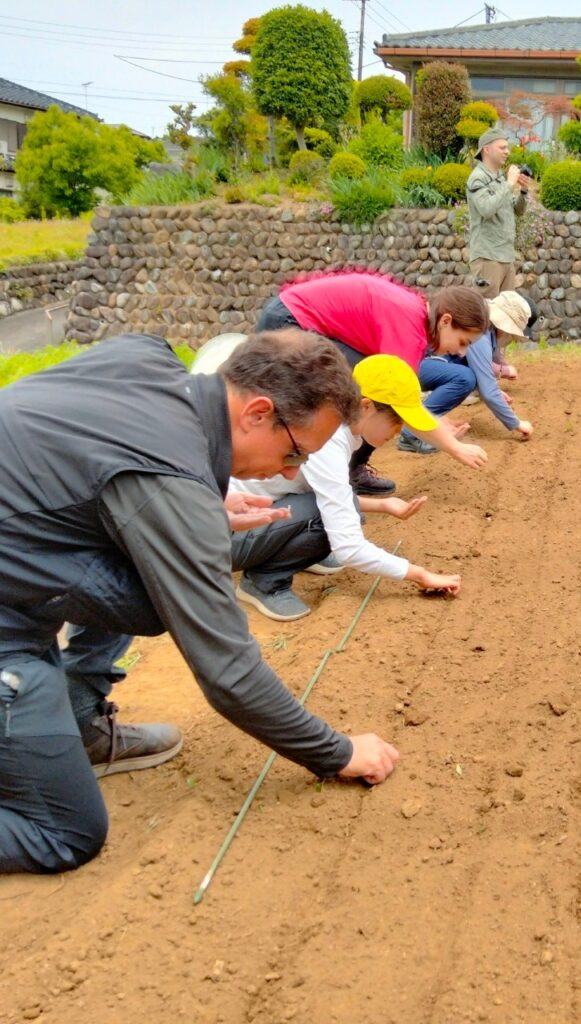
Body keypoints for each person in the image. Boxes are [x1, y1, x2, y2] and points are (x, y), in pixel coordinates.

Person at [0, 331, 401, 874]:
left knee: (145, 556)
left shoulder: (147, 360)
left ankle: (77, 717)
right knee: (67, 832)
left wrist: (202, 493)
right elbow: (227, 671)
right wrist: (336, 751)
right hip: (11, 627)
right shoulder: (166, 483)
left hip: (20, 572)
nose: (289, 473)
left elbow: (105, 462)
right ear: (258, 412)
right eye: (292, 453)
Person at [191, 342, 463, 620]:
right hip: (225, 539)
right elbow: (349, 546)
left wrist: (385, 506)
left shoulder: (337, 430)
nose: (398, 431)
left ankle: (298, 553)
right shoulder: (329, 440)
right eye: (396, 421)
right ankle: (265, 581)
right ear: (366, 407)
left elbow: (332, 494)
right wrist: (421, 575)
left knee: (339, 511)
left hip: (243, 522)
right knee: (336, 518)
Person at [255, 270, 491, 496]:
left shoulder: (416, 318)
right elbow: (399, 401)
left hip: (299, 320)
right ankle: (329, 481)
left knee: (374, 394)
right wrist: (454, 447)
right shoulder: (409, 328)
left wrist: (438, 424)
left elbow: (404, 398)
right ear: (446, 321)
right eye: (463, 342)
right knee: (372, 396)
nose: (461, 353)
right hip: (290, 322)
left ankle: (348, 472)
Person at [399, 291, 534, 455]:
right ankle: (412, 432)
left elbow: (483, 378)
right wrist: (517, 423)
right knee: (464, 378)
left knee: (467, 377)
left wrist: (494, 391)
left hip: (422, 364)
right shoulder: (482, 337)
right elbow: (487, 390)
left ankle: (426, 425)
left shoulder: (484, 335)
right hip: (417, 365)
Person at [466, 126, 527, 300]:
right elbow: (486, 209)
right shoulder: (478, 178)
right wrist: (508, 185)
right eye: (502, 148)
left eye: (507, 148)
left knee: (507, 316)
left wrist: (523, 191)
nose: (507, 152)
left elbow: (518, 211)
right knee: (488, 315)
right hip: (487, 257)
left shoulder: (500, 176)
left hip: (506, 257)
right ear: (486, 149)